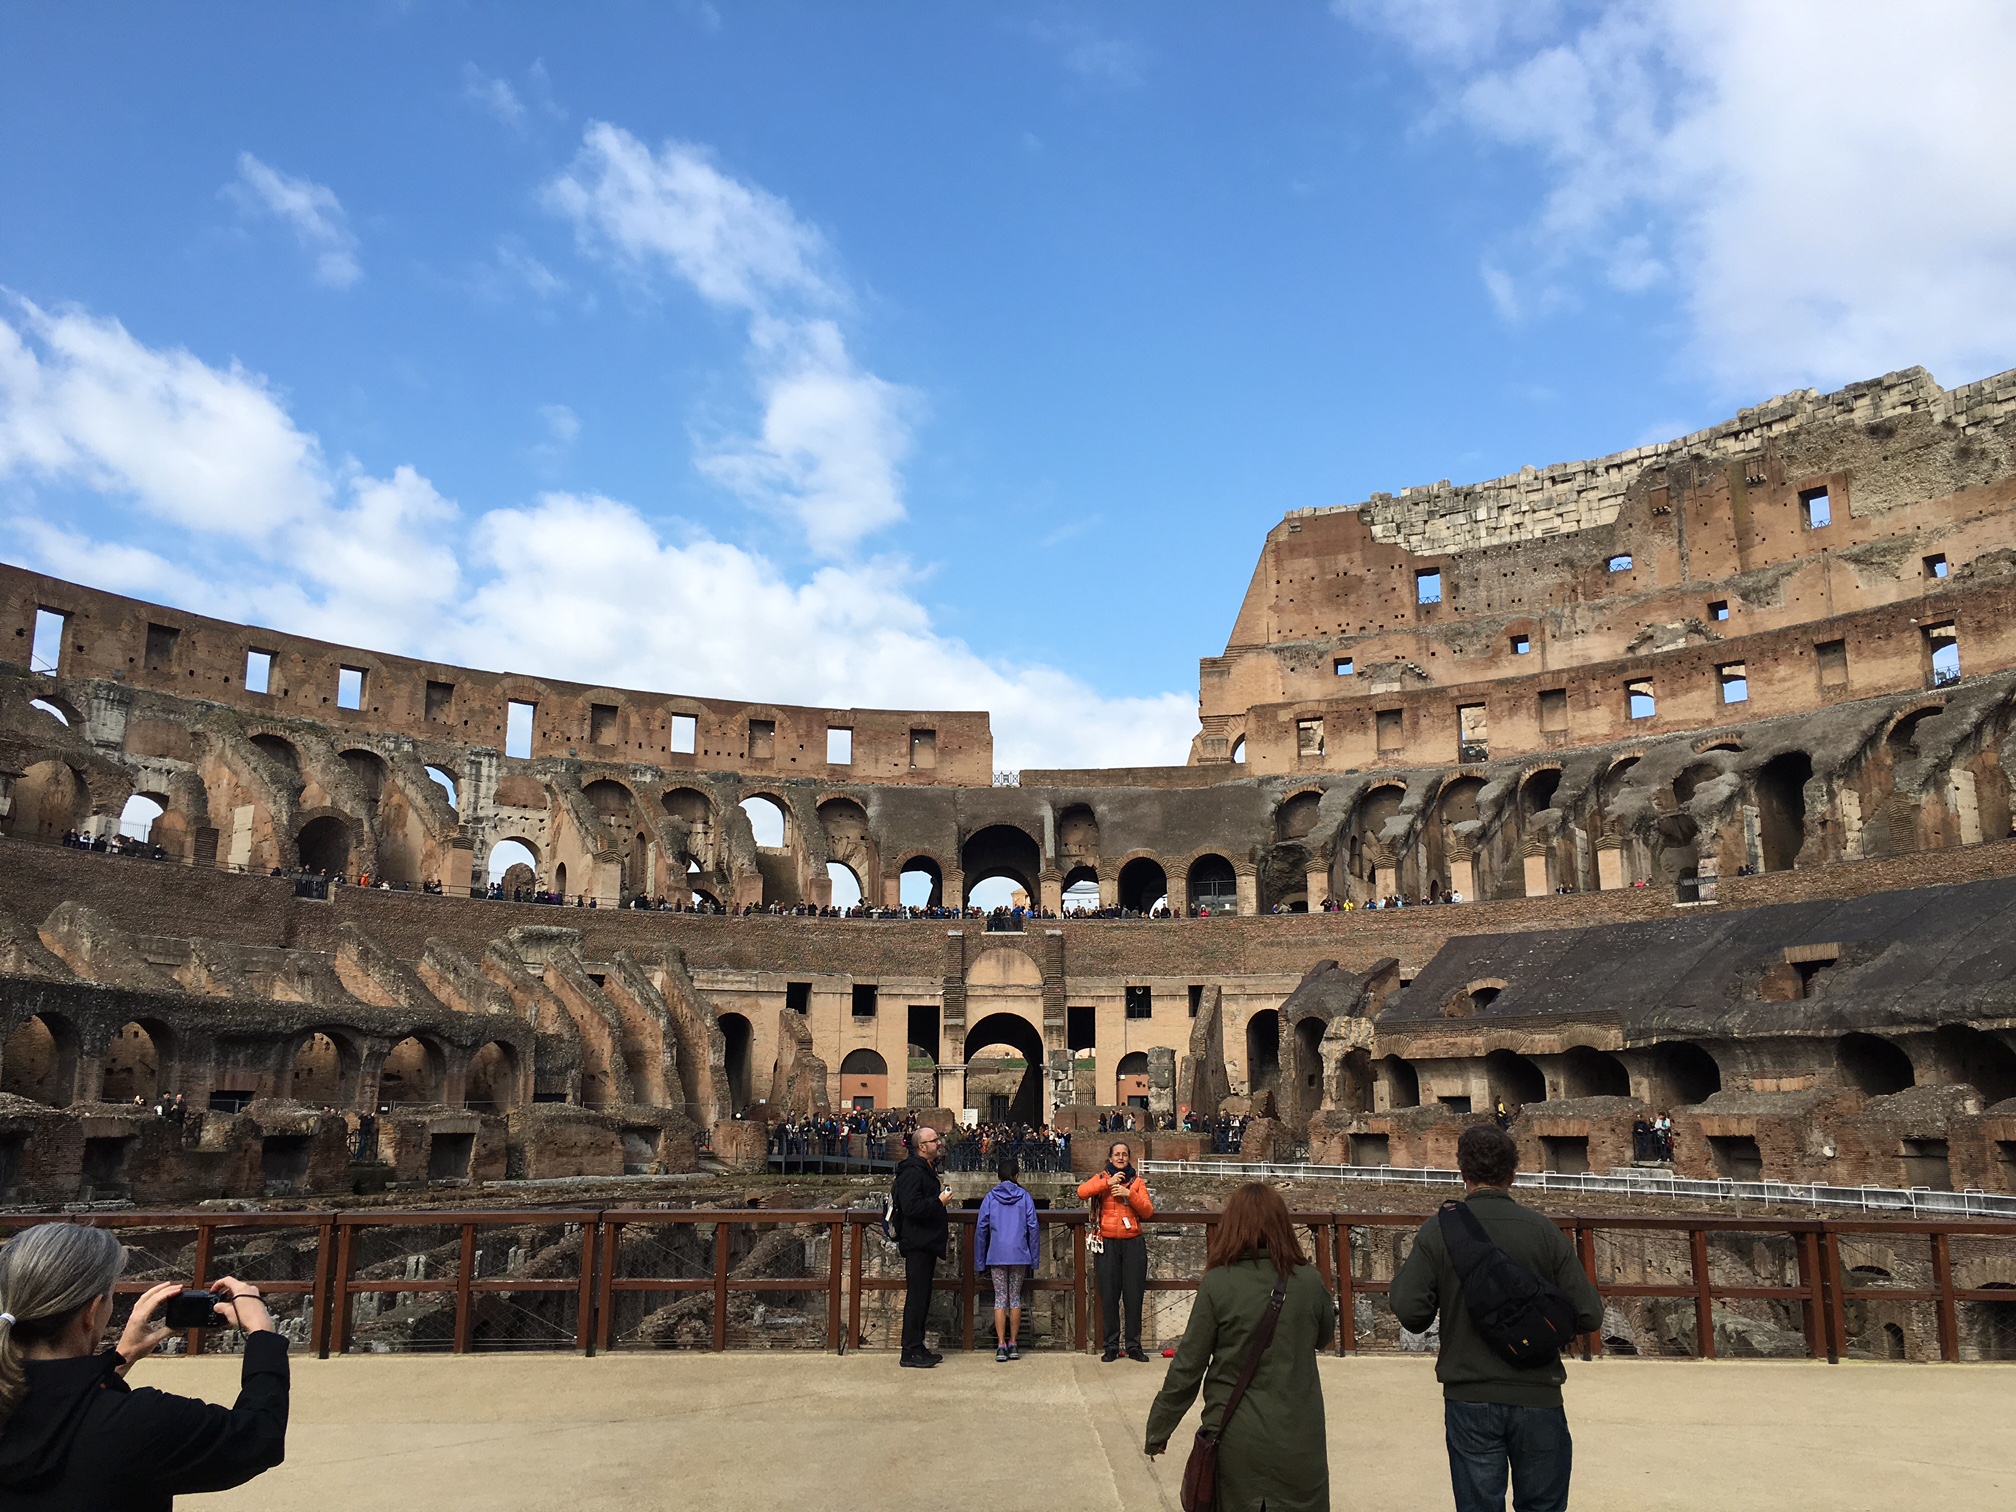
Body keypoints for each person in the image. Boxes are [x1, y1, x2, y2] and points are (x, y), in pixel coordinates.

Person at [0, 1221, 288, 1510]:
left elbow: (53, 1407)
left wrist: (121, 1356)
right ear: (91, 1312)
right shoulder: (140, 1421)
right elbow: (258, 1436)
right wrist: (261, 1333)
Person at [1391, 1124, 1603, 1512]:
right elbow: (1589, 1313)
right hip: (1538, 1393)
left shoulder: (1440, 1231)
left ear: (1463, 1173)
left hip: (1469, 1394)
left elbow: (1410, 1311)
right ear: (1513, 1174)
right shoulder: (1543, 1231)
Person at [1144, 1183, 1333, 1512]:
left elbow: (1188, 1366)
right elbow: (1322, 1337)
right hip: (1299, 1438)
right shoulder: (1310, 1281)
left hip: (1237, 1439)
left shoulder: (1218, 1284)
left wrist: (1159, 1428)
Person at [1078, 1139, 1154, 1362]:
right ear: (1110, 1158)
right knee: (1109, 1296)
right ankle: (1111, 1346)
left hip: (1133, 1243)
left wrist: (1129, 1194)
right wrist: (1107, 1183)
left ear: (1129, 1158)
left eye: (1125, 1154)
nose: (1121, 1157)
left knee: (1133, 1296)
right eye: (1117, 1154)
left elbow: (1148, 1211)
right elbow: (1082, 1192)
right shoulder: (1102, 1178)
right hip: (1108, 1243)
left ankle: (1133, 1346)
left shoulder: (1137, 1182)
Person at [891, 1125, 951, 1369]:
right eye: (934, 1140)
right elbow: (912, 1207)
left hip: (926, 1242)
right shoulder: (912, 1172)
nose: (939, 1143)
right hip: (917, 1243)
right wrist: (939, 1201)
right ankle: (910, 1351)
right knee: (916, 1298)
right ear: (922, 1147)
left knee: (922, 1297)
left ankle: (917, 1346)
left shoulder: (925, 1169)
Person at [973, 1154, 1039, 1362]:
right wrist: (1034, 1258)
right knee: (1015, 1298)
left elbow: (981, 1229)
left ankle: (1001, 1345)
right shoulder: (1025, 1196)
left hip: (997, 1253)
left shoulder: (990, 1198)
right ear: (1017, 1175)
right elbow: (1033, 1228)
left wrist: (979, 1260)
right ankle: (1013, 1343)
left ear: (998, 1176)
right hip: (1019, 1253)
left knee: (1000, 1298)